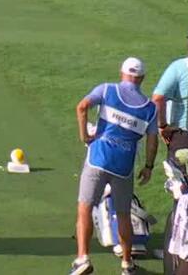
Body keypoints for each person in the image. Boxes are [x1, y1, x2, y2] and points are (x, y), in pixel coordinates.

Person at [71, 57, 160, 275]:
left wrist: (85, 136)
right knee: (123, 214)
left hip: (98, 159)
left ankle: (83, 258)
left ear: (122, 73)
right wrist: (148, 166)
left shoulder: (107, 89)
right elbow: (152, 140)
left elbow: (82, 107)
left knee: (84, 208)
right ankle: (127, 264)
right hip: (124, 166)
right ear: (142, 78)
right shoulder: (150, 108)